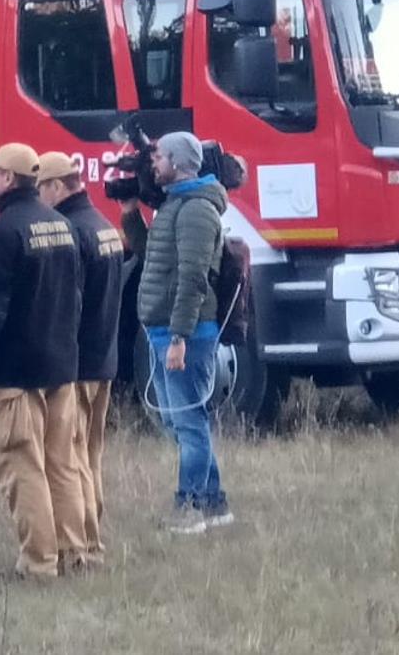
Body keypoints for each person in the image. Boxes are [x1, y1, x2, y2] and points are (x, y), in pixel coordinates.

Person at [0, 143, 88, 581]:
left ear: (10, 179)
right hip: (61, 367)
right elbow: (75, 298)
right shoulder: (62, 225)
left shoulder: (2, 232)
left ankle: (38, 563)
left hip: (16, 374)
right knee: (62, 463)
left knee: (22, 466)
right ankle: (74, 554)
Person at [137, 132, 234, 534]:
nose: (153, 163)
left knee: (189, 422)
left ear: (177, 161)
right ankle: (214, 504)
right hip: (164, 329)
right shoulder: (176, 204)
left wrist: (179, 338)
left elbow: (193, 278)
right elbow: (157, 259)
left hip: (184, 334)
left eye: (158, 157)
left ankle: (189, 508)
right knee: (180, 422)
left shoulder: (195, 210)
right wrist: (129, 214)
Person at [37, 151, 124, 563]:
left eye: (41, 188)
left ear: (56, 186)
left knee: (71, 458)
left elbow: (67, 306)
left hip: (78, 365)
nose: (39, 197)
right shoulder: (105, 226)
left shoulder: (70, 232)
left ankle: (86, 544)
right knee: (92, 455)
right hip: (105, 358)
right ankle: (95, 534)